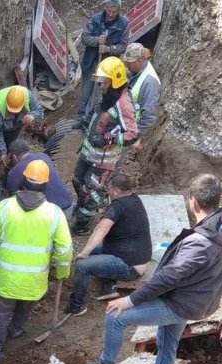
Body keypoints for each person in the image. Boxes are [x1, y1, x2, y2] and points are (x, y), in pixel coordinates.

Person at [79, 174, 222, 364]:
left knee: (116, 317)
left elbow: (168, 278)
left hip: (179, 302)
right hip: (201, 299)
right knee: (167, 342)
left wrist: (129, 300)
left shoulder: (198, 244)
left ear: (193, 202)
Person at [0, 160, 72, 360]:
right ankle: (15, 332)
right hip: (34, 281)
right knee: (25, 306)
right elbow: (64, 251)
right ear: (46, 185)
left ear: (23, 181)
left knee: (1, 313)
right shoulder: (55, 214)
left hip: (6, 279)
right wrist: (62, 273)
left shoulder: (4, 208)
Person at [65, 171, 151, 314]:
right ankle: (107, 286)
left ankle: (76, 306)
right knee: (95, 250)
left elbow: (101, 228)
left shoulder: (117, 206)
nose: (108, 192)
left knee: (81, 265)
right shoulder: (134, 199)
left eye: (109, 189)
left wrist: (85, 252)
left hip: (129, 267)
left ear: (116, 192)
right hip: (129, 255)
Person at [71, 56, 138, 235]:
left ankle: (82, 225)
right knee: (77, 180)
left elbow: (132, 134)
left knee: (92, 192)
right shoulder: (108, 95)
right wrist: (85, 121)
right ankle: (80, 209)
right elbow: (100, 115)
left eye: (104, 81)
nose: (101, 85)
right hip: (89, 153)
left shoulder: (124, 104)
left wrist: (109, 139)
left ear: (114, 81)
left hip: (103, 160)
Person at [78, 0, 129, 124]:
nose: (111, 14)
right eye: (109, 11)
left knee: (99, 92)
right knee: (86, 90)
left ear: (119, 11)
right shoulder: (95, 19)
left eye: (114, 12)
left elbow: (123, 46)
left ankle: (92, 117)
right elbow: (84, 38)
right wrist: (97, 41)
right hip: (91, 61)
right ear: (105, 8)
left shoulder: (124, 24)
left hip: (107, 67)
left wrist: (109, 49)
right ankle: (80, 116)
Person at [6, 139, 74, 219]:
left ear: (14, 156)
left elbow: (14, 201)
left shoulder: (14, 173)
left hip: (49, 216)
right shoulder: (44, 156)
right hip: (68, 206)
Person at [0, 85, 44, 170]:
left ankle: (9, 168)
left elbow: (38, 110)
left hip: (14, 123)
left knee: (11, 144)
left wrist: (32, 116)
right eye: (11, 110)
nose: (13, 112)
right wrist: (2, 153)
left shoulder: (27, 95)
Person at [121, 42, 161, 150]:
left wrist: (132, 136)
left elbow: (148, 117)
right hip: (124, 124)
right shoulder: (134, 70)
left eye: (129, 62)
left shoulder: (150, 83)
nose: (127, 65)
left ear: (140, 60)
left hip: (130, 131)